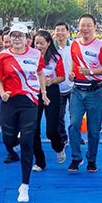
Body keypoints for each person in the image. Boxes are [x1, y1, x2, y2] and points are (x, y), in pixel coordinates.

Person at [0, 23, 49, 203]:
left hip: (30, 102)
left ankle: (24, 186)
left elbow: (40, 73)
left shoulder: (35, 54)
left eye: (21, 35)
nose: (17, 39)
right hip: (9, 101)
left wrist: (44, 93)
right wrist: (2, 93)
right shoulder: (2, 56)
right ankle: (14, 139)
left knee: (27, 141)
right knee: (8, 140)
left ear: (27, 38)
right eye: (14, 35)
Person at [68, 14, 102, 172]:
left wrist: (90, 71)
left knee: (94, 129)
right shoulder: (74, 44)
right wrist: (71, 72)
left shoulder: (101, 46)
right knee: (73, 125)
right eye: (82, 25)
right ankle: (75, 157)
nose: (84, 28)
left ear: (94, 27)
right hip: (77, 91)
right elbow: (74, 60)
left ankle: (91, 159)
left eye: (88, 25)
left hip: (95, 91)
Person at [31, 30, 66, 171]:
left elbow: (62, 77)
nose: (38, 46)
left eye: (42, 43)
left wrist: (52, 80)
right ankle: (40, 161)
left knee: (51, 131)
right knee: (33, 130)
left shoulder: (56, 58)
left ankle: (59, 147)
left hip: (51, 92)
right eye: (36, 43)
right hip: (34, 92)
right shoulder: (30, 56)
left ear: (49, 43)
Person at [53, 22, 73, 147]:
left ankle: (74, 137)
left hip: (73, 86)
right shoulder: (51, 48)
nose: (60, 33)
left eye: (62, 30)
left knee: (75, 115)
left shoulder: (74, 46)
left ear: (67, 32)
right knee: (59, 115)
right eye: (57, 30)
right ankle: (63, 137)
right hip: (57, 87)